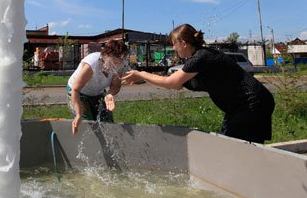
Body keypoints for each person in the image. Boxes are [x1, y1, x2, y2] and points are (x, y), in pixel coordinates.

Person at [122, 24, 275, 144]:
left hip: (251, 104)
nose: (173, 48)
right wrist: (144, 77)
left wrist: (141, 74)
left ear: (183, 43)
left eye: (174, 44)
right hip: (245, 106)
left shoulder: (201, 57)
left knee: (234, 149)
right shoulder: (200, 57)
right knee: (239, 148)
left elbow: (171, 82)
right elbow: (177, 84)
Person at [67, 39, 129, 135]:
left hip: (98, 92)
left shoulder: (119, 65)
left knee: (107, 122)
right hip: (79, 93)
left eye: (123, 58)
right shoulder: (92, 63)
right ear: (107, 55)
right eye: (118, 58)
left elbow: (116, 86)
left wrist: (109, 94)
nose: (121, 61)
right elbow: (75, 89)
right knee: (89, 124)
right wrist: (78, 114)